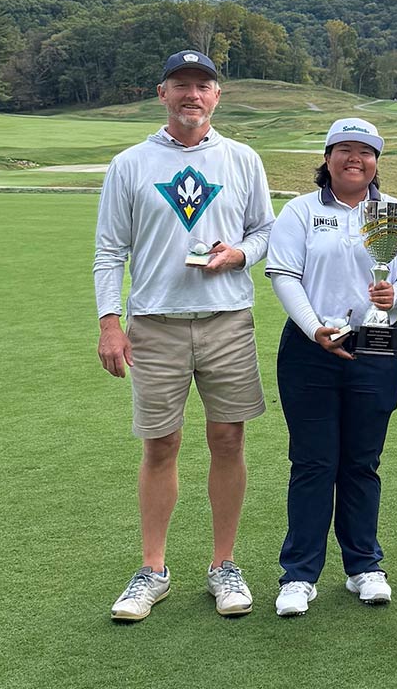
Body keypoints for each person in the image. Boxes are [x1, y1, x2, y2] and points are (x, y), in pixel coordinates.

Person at [94, 50, 275, 620]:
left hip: (227, 321)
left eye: (204, 85)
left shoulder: (243, 159)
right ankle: (153, 570)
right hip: (154, 325)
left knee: (228, 440)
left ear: (217, 96)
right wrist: (109, 323)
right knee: (161, 444)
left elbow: (265, 230)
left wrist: (240, 254)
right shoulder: (130, 163)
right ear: (162, 93)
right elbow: (109, 249)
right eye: (181, 86)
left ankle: (224, 565)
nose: (192, 95)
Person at [265, 117, 397, 616]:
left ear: (377, 161)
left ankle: (363, 566)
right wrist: (316, 327)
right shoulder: (300, 211)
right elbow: (284, 274)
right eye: (344, 149)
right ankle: (299, 575)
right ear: (328, 157)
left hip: (376, 346)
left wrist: (393, 294)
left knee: (362, 461)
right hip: (311, 346)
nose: (354, 159)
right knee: (313, 462)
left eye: (366, 151)